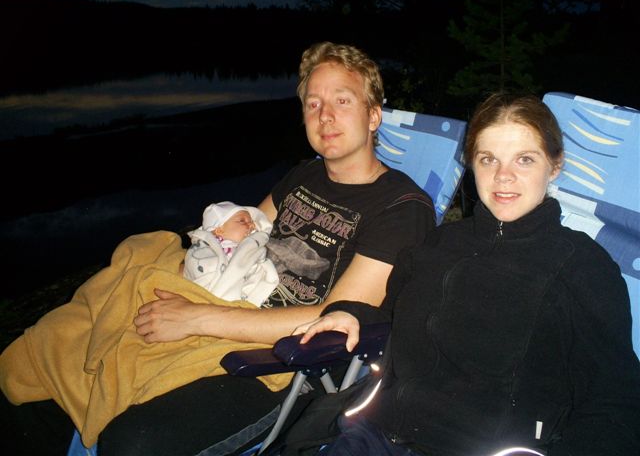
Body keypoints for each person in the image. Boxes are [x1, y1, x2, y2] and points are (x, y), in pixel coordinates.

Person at [0, 41, 435, 456]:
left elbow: (332, 322)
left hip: (286, 364)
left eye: (342, 100)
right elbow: (238, 233)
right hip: (227, 302)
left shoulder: (401, 209)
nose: (325, 116)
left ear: (373, 116)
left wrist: (195, 317)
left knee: (134, 442)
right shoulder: (304, 175)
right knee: (49, 379)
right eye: (313, 103)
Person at [289, 93, 640, 456]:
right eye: (488, 159)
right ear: (472, 164)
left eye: (524, 159)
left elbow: (616, 404)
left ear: (554, 165)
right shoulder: (439, 243)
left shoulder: (583, 267)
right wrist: (353, 314)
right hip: (379, 433)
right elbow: (394, 313)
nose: (503, 176)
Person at [182, 201, 278, 307]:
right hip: (212, 290)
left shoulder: (249, 245)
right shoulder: (208, 246)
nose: (251, 225)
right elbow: (200, 265)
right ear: (219, 230)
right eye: (242, 221)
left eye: (251, 222)